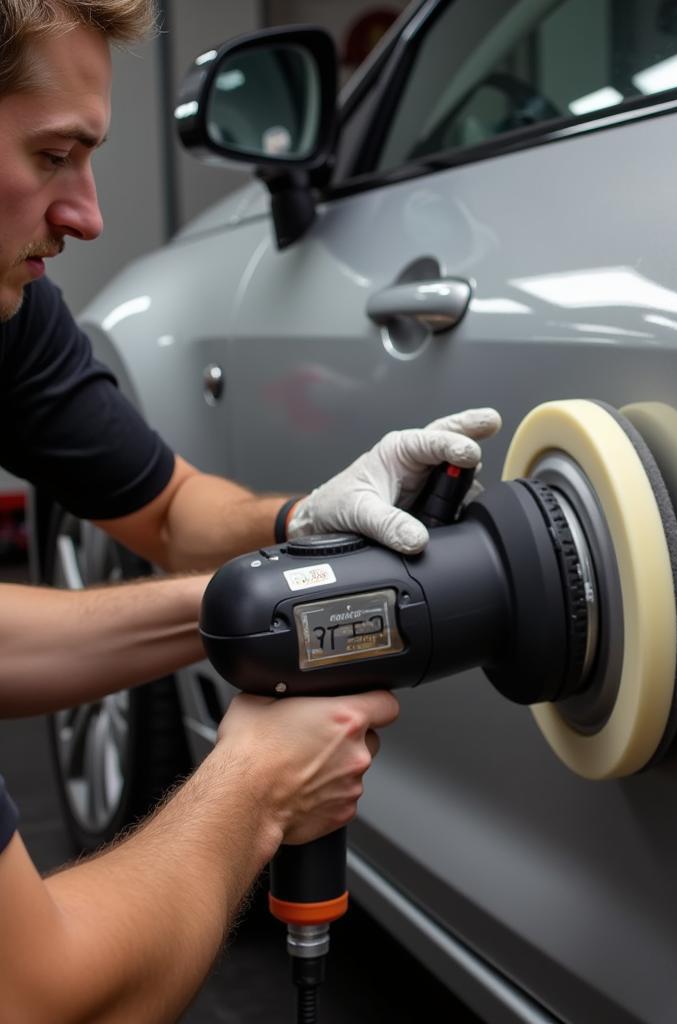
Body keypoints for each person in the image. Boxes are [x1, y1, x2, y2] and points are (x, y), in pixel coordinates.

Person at [0, 1, 501, 1019]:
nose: (86, 213)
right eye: (52, 155)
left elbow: (174, 507)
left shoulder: (9, 310)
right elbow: (36, 997)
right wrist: (256, 786)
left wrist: (296, 536)